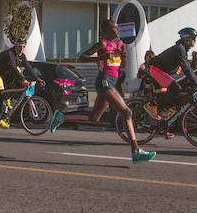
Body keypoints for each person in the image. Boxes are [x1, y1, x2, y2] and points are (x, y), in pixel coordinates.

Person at [48, 20, 155, 162]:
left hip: (112, 81)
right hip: (104, 81)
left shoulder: (119, 44)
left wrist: (123, 55)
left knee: (94, 118)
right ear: (107, 31)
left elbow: (122, 65)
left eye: (117, 28)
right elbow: (82, 57)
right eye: (115, 28)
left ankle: (60, 117)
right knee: (127, 112)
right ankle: (136, 151)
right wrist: (101, 57)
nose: (118, 31)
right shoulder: (103, 44)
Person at [143, 27, 197, 120]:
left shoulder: (182, 49)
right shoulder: (179, 49)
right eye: (193, 38)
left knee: (179, 90)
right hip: (155, 69)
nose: (195, 40)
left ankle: (164, 117)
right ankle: (152, 105)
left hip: (162, 70)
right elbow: (186, 69)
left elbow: (187, 69)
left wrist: (195, 82)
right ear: (187, 39)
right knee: (176, 89)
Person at [0, 38, 44, 129]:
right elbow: (14, 69)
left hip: (7, 74)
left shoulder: (22, 56)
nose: (21, 48)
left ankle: (8, 98)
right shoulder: (9, 54)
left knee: (20, 85)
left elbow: (28, 67)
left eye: (23, 47)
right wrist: (23, 79)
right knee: (1, 95)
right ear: (15, 46)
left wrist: (38, 78)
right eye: (19, 46)